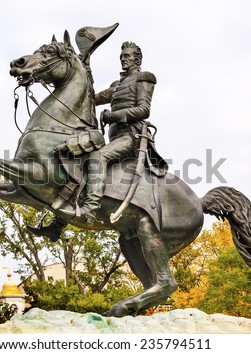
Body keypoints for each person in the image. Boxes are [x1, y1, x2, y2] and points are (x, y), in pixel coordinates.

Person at [27, 41, 158, 240]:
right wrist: (79, 72)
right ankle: (57, 225)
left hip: (131, 137)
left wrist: (113, 116)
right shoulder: (117, 86)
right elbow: (89, 97)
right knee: (78, 162)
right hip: (114, 138)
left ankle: (90, 208)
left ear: (137, 59)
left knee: (97, 157)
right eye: (121, 56)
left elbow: (143, 109)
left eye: (127, 56)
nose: (123, 59)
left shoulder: (144, 78)